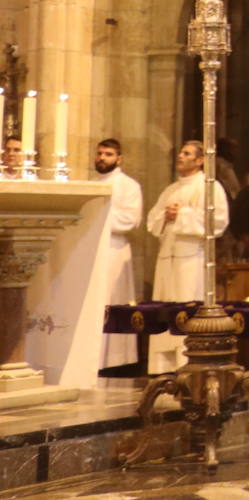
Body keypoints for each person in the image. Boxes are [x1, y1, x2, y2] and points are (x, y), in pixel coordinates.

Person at [145, 140, 229, 374]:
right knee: (165, 307)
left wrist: (181, 214)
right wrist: (166, 215)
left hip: (191, 259)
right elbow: (152, 221)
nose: (180, 156)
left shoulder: (210, 187)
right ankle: (162, 367)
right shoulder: (170, 189)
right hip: (167, 257)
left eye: (186, 153)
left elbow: (218, 222)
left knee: (186, 306)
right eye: (180, 153)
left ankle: (188, 363)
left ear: (201, 160)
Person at [95, 138, 144, 368]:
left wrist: (101, 213)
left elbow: (131, 219)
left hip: (115, 248)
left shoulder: (129, 185)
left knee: (112, 301)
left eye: (108, 154)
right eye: (100, 153)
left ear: (119, 158)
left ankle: (116, 360)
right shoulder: (92, 183)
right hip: (94, 249)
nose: (102, 158)